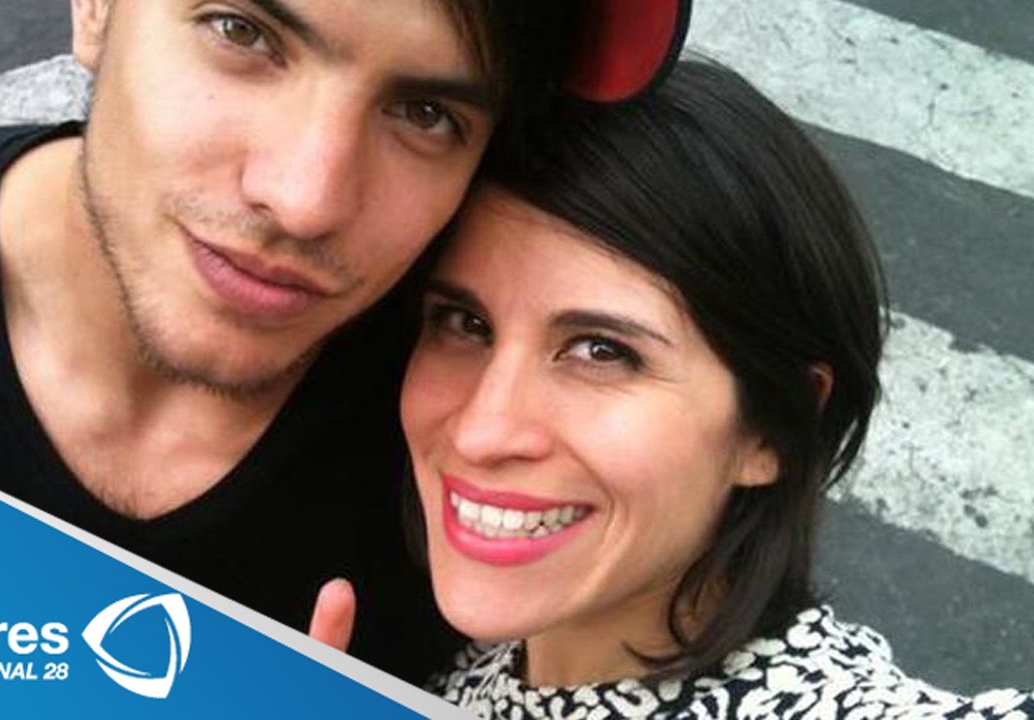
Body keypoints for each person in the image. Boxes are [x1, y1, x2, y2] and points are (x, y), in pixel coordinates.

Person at [0, 0, 699, 683]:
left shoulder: (465, 443)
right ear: (96, 8)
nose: (306, 198)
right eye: (242, 33)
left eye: (425, 113)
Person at [401, 59, 1034, 717]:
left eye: (602, 351)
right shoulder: (469, 651)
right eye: (465, 323)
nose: (481, 432)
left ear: (770, 429)